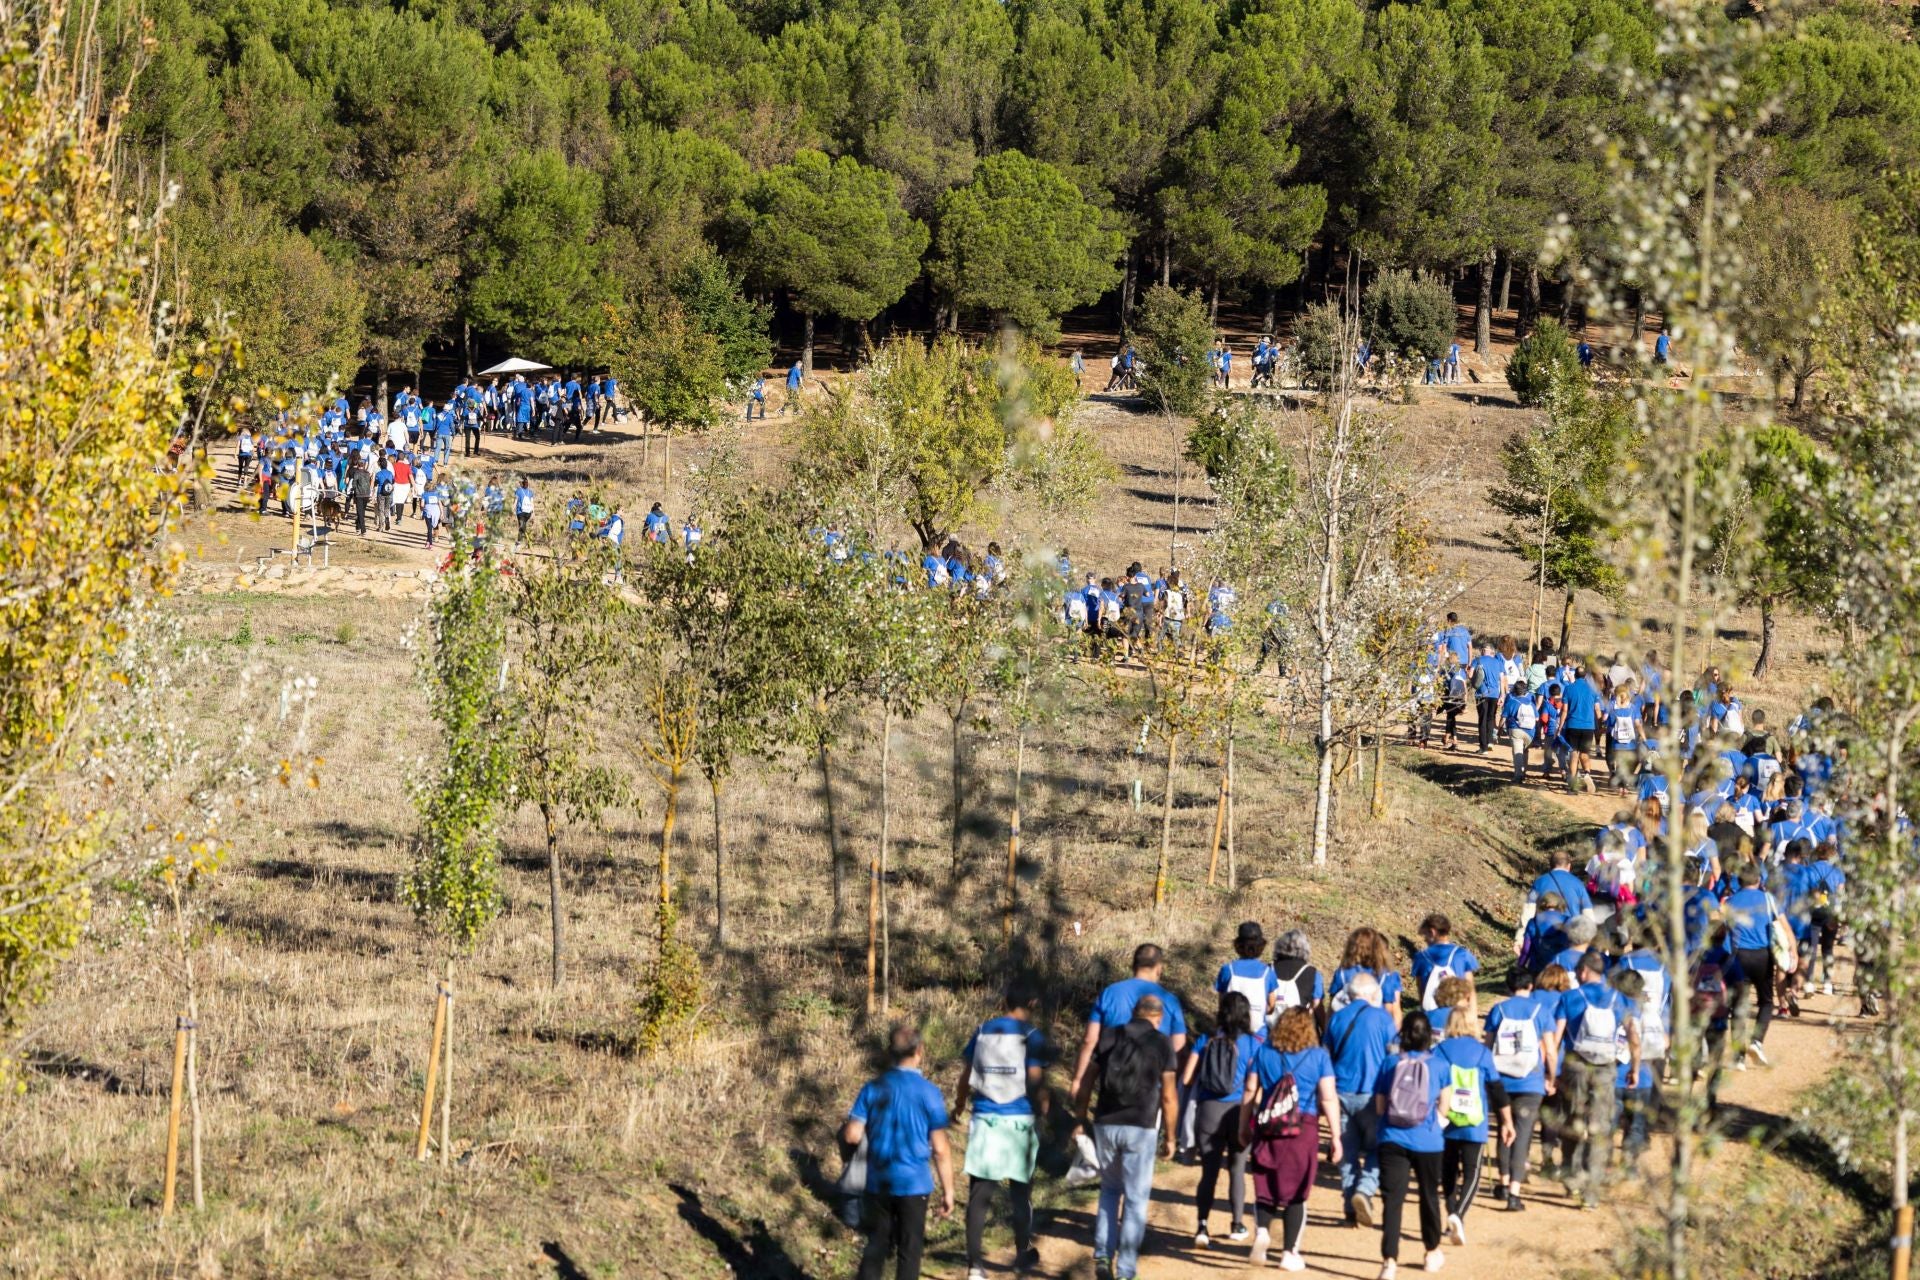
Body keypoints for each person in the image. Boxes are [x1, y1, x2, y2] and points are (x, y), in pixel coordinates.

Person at [1073, 994, 1178, 1280]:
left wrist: (1080, 1119)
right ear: (1158, 1018)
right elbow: (1168, 1096)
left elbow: (1086, 1081)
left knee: (1109, 1190)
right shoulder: (1162, 1042)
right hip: (1141, 1125)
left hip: (1106, 1122)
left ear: (1133, 1012)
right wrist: (1170, 1137)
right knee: (1135, 1198)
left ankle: (1103, 1256)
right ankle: (1126, 1271)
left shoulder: (1109, 1036)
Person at [843, 1023, 956, 1280]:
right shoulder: (930, 1092)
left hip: (878, 1183)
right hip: (914, 1185)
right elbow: (940, 1148)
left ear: (888, 1053)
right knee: (909, 1251)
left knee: (875, 1247)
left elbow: (852, 1135)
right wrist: (948, 1191)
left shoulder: (872, 1087)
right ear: (920, 1051)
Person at [953, 980, 1048, 1280]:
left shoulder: (982, 1031)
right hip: (1019, 1121)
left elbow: (966, 1076)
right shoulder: (1032, 1036)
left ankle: (974, 1266)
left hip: (985, 1120)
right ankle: (1022, 1252)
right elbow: (1035, 1082)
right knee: (1021, 1193)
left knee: (979, 1197)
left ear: (1004, 1002)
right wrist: (1044, 1114)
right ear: (1031, 1004)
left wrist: (958, 1106)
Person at [1242, 1006, 1341, 1273]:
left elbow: (1251, 1089)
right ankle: (1289, 1252)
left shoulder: (1263, 1052)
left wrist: (1244, 1126)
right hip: (1303, 1128)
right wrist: (1336, 1136)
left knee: (1265, 1184)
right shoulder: (1319, 1056)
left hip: (1269, 1125)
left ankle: (1262, 1231)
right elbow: (1328, 1096)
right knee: (1297, 1192)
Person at [1555, 951, 1641, 1208]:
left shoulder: (1569, 998)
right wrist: (1634, 1067)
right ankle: (1591, 1192)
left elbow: (1557, 1037)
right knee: (1599, 1127)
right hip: (1605, 1068)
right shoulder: (1619, 999)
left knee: (1572, 1120)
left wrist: (1552, 1071)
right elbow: (1633, 1036)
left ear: (1582, 972)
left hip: (1575, 1068)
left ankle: (1572, 1176)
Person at [1431, 984, 1511, 1247]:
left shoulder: (1440, 1051)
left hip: (1447, 1118)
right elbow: (1497, 1090)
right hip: (1474, 1121)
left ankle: (1451, 1210)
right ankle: (1458, 1215)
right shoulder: (1482, 1053)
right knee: (1473, 1171)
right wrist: (1506, 1121)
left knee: (1449, 1171)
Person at [1373, 1010, 1448, 1278]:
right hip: (1428, 1141)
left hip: (1392, 1138)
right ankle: (1431, 1252)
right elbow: (1445, 1108)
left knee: (1393, 1201)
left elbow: (1381, 1106)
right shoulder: (1439, 1065)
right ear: (1429, 1035)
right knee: (1429, 1196)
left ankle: (1389, 1262)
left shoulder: (1389, 1063)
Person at [1182, 992, 1260, 1250]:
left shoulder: (1206, 1040)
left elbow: (1186, 1078)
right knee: (1237, 1170)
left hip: (1209, 1110)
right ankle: (1237, 1224)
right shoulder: (1253, 1043)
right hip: (1240, 1111)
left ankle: (1202, 1226)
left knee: (1209, 1172)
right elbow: (1257, 1081)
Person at [1068, 944, 1187, 1098]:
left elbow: (1090, 1040)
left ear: (1133, 965)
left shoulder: (1110, 993)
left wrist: (1078, 1080)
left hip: (1112, 1081)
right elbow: (1179, 1048)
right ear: (1159, 968)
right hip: (1152, 1087)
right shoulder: (1170, 1001)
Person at [1327, 970, 1397, 1226]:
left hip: (1341, 1092)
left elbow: (1328, 1054)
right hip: (1373, 1092)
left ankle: (1349, 1208)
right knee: (1379, 1147)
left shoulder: (1336, 1019)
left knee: (1346, 1150)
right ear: (1371, 993)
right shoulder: (1383, 1019)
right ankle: (1365, 1190)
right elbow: (1394, 1056)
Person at [1484, 967, 1557, 1211]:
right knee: (1522, 1134)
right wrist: (1551, 1076)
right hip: (1530, 1081)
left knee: (1505, 1131)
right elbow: (1551, 1050)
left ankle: (1503, 1184)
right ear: (1530, 986)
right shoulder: (1541, 1011)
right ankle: (1514, 1193)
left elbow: (1488, 1045)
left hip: (1501, 1080)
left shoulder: (1498, 1010)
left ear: (1507, 986)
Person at [1724, 862, 1780, 1065]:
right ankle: (1756, 1041)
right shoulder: (1767, 899)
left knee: (1738, 1005)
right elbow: (1783, 926)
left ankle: (1738, 1058)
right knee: (1766, 1001)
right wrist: (1791, 951)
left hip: (1738, 956)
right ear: (1759, 880)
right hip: (1763, 956)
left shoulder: (1730, 901)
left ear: (1739, 881)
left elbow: (1722, 930)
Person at [1328, 926, 1404, 1026]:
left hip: (1345, 1027)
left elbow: (1332, 1008)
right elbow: (1388, 1012)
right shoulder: (1384, 976)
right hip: (1374, 1028)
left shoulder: (1342, 973)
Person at [1215, 922, 1278, 1035]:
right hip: (1257, 1034)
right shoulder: (1268, 972)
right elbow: (1272, 1005)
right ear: (1261, 946)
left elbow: (1221, 1004)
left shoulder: (1227, 970)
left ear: (1238, 945)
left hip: (1229, 1033)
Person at [1411, 914, 1480, 1014]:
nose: (1424, 939)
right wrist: (1473, 1018)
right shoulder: (1462, 954)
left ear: (1432, 932)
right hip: (1458, 1015)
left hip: (1431, 1017)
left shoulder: (1421, 957)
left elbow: (1421, 990)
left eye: (1425, 934)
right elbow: (1470, 990)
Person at [1561, 668, 1603, 793]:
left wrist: (1560, 726)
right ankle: (1587, 774)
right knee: (1584, 753)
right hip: (1588, 726)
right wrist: (1600, 725)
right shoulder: (1593, 689)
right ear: (1585, 676)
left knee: (1574, 754)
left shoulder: (1568, 689)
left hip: (1573, 725)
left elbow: (1564, 710)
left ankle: (1573, 785)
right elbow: (1597, 710)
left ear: (1575, 675)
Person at [1502, 677, 1537, 782]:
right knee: (1525, 751)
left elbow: (1503, 717)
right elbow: (1537, 718)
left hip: (1516, 730)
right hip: (1530, 732)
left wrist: (1499, 729)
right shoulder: (1531, 703)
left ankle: (1518, 775)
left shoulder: (1511, 701)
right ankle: (1524, 771)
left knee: (1517, 751)